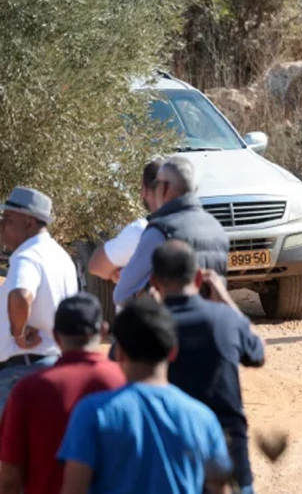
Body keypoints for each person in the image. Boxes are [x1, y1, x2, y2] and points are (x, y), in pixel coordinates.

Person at [58, 296, 233, 494]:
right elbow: (219, 485)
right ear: (173, 351)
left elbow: (74, 489)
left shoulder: (92, 413)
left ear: (119, 353)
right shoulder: (203, 418)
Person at [148, 240, 265, 494]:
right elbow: (257, 353)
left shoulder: (147, 327)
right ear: (199, 278)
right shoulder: (225, 319)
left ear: (154, 282)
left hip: (169, 455)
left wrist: (148, 308)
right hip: (228, 450)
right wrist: (226, 300)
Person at [0, 293, 125, 494]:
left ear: (56, 336)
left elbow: (10, 477)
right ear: (103, 330)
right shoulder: (125, 383)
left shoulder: (28, 390)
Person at [0, 187, 78, 410]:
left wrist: (18, 334)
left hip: (21, 370)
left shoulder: (27, 255)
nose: (2, 225)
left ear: (29, 221)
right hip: (51, 366)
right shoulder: (61, 257)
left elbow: (21, 295)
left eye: (8, 219)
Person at [113, 155, 229, 306]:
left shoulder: (160, 231)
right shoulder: (217, 228)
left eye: (157, 184)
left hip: (172, 318)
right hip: (212, 317)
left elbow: (121, 295)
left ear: (165, 188)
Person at [88, 159, 164, 285]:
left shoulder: (140, 231)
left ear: (144, 191)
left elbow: (96, 265)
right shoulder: (196, 225)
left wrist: (124, 274)